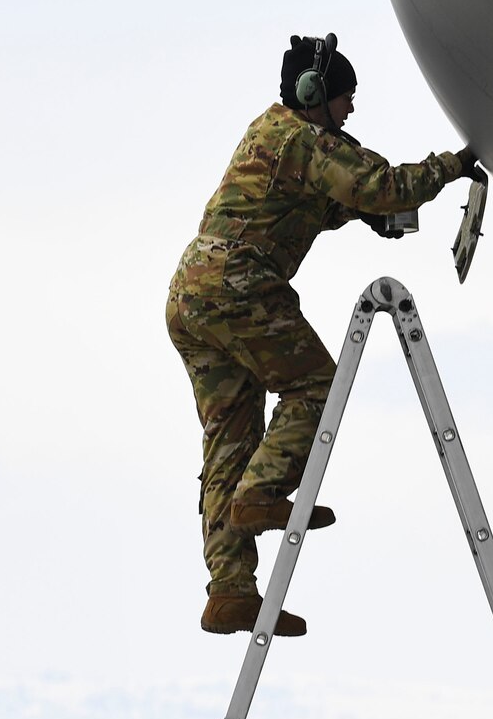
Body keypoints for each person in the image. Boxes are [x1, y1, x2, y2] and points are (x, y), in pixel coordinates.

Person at [166, 36, 474, 636]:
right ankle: (262, 491)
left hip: (192, 296)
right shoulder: (304, 140)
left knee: (228, 440)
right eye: (345, 98)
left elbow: (328, 199)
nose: (350, 111)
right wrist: (454, 166)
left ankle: (229, 592)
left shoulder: (273, 133)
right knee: (314, 387)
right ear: (315, 95)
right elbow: (382, 186)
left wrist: (365, 216)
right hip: (237, 286)